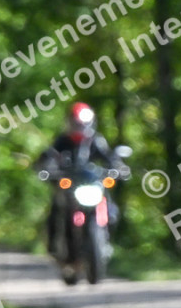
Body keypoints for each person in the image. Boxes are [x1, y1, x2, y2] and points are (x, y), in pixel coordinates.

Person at [38, 102, 120, 253]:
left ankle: (107, 241)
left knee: (111, 209)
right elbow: (48, 156)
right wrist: (48, 169)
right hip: (71, 185)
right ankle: (54, 246)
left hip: (91, 184)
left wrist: (117, 167)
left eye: (83, 124)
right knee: (57, 207)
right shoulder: (62, 141)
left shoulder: (95, 141)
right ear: (70, 122)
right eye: (76, 124)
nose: (80, 127)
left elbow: (109, 158)